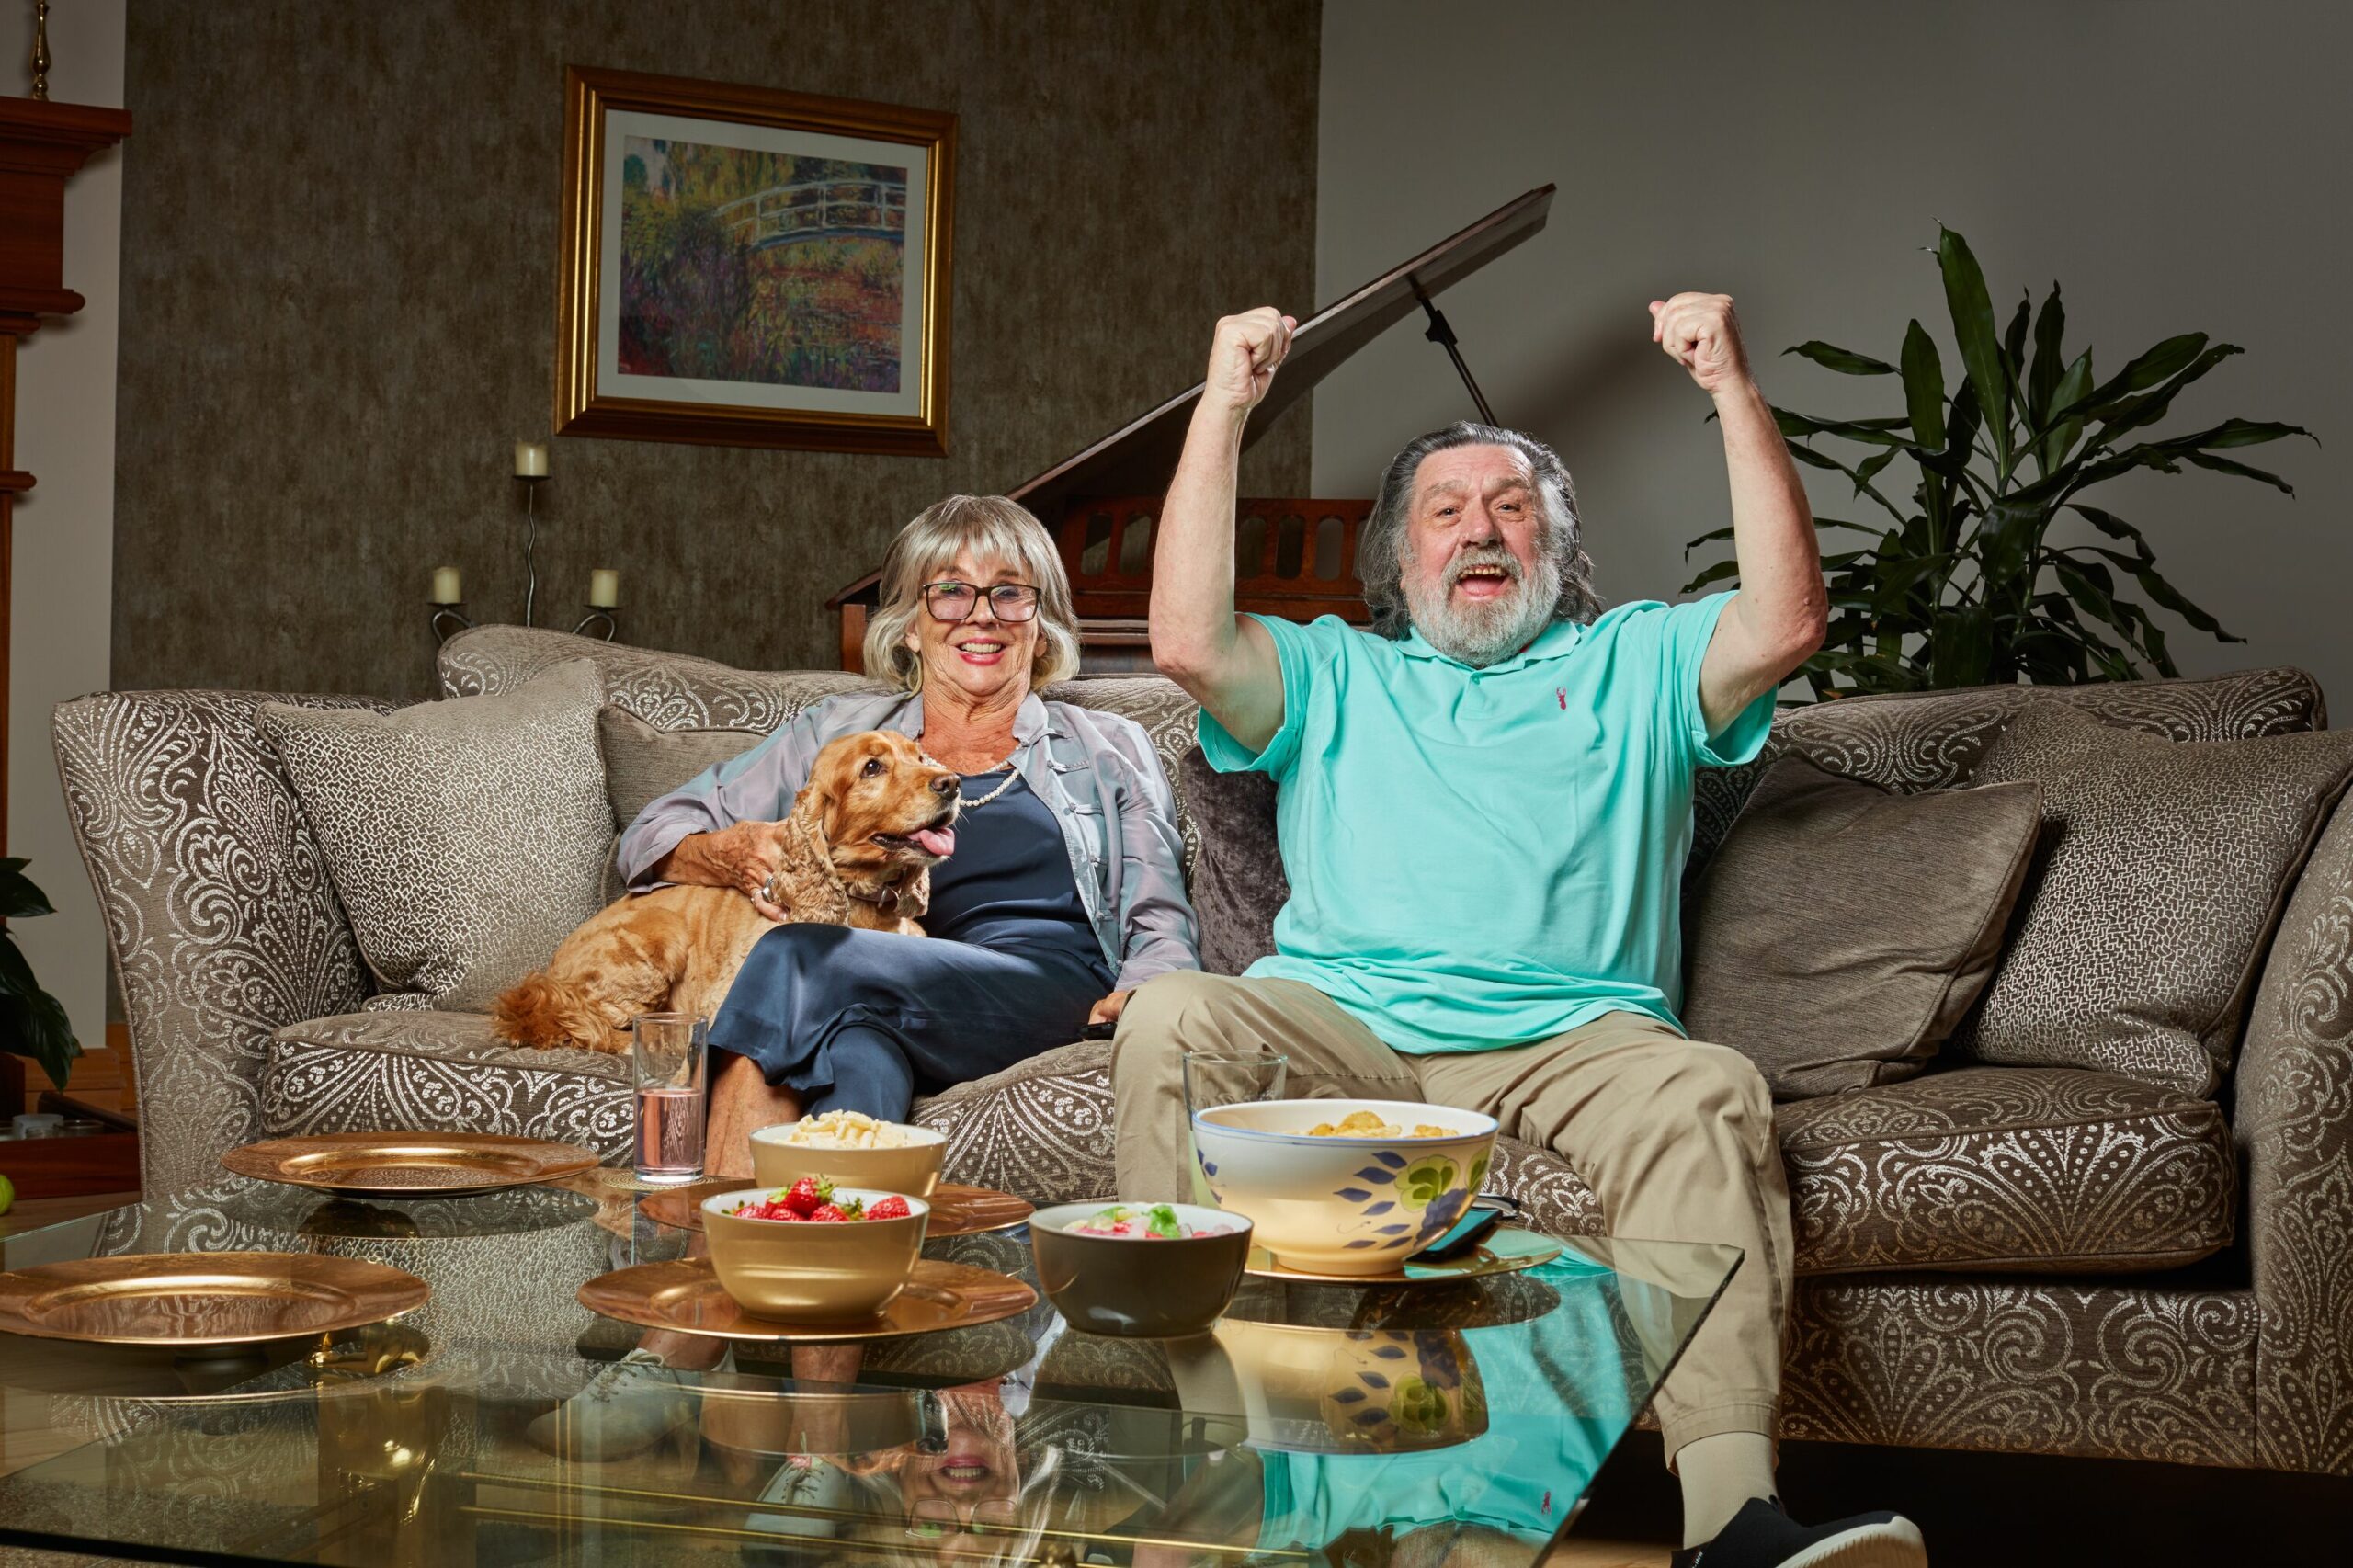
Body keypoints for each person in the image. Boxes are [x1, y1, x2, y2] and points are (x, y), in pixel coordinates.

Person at [1115, 301, 1927, 1568]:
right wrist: (1223, 403)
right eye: (1445, 510)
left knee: (1708, 1089)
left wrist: (1732, 387)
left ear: (1555, 545)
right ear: (1398, 558)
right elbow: (1185, 639)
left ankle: (1732, 1522)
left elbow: (1785, 624)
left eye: (1512, 505)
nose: (1481, 528)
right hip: (1348, 1031)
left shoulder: (1642, 660)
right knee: (1176, 1017)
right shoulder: (1337, 670)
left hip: (1578, 1037)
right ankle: (1205, 1464)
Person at [620, 493, 1199, 1178]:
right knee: (854, 1057)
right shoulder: (838, 734)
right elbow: (651, 832)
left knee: (796, 955)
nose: (982, 615)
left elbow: (1161, 916)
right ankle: (829, 1271)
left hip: (1042, 989)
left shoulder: (1106, 746)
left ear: (1040, 629)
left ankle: (699, 1232)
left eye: (1010, 594)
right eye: (951, 592)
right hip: (880, 994)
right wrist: (723, 854)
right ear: (910, 628)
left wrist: (1145, 992)